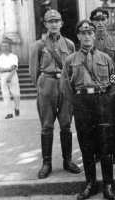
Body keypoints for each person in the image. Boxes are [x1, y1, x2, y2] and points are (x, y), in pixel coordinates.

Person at [61, 20, 115, 200]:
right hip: (82, 103)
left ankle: (108, 186)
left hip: (102, 102)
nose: (87, 36)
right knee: (86, 144)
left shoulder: (105, 58)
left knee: (105, 145)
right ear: (78, 36)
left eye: (90, 33)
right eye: (83, 33)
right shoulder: (71, 60)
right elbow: (65, 85)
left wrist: (106, 101)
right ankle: (90, 183)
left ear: (95, 35)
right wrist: (78, 102)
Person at [29, 9, 81, 179]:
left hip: (65, 85)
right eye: (50, 21)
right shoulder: (39, 45)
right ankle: (47, 163)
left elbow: (73, 68)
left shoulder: (70, 44)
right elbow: (33, 71)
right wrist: (42, 87)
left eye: (56, 21)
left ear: (61, 23)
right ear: (45, 24)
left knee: (66, 124)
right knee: (46, 126)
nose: (53, 24)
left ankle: (67, 160)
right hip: (47, 84)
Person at [90, 8, 115, 164]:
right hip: (94, 88)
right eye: (97, 20)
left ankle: (113, 152)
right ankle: (98, 152)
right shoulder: (89, 41)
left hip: (111, 87)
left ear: (107, 21)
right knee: (95, 120)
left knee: (111, 121)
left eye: (103, 20)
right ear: (93, 22)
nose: (100, 23)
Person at [0, 41, 20, 119]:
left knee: (16, 94)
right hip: (3, 76)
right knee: (5, 95)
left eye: (6, 46)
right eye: (3, 46)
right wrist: (8, 69)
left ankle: (16, 107)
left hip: (12, 75)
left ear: (9, 47)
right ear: (1, 48)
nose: (5, 47)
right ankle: (8, 113)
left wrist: (9, 75)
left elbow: (14, 67)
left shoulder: (13, 56)